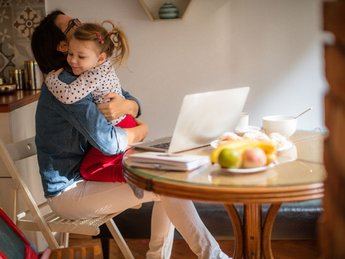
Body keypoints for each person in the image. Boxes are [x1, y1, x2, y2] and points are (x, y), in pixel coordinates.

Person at [32, 9, 231, 259]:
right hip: (70, 192)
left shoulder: (87, 73)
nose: (80, 22)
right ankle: (213, 256)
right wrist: (142, 129)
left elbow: (129, 98)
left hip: (91, 177)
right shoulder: (66, 90)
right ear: (62, 46)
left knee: (166, 179)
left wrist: (128, 107)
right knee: (167, 186)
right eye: (72, 23)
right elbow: (109, 143)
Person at [44, 21, 137, 182]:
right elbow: (131, 101)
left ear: (100, 58)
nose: (72, 60)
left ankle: (132, 176)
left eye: (81, 56)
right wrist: (137, 118)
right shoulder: (103, 65)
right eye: (70, 53)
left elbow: (68, 95)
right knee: (106, 163)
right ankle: (133, 171)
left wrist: (51, 79)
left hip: (118, 127)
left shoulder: (93, 74)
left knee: (89, 170)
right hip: (123, 122)